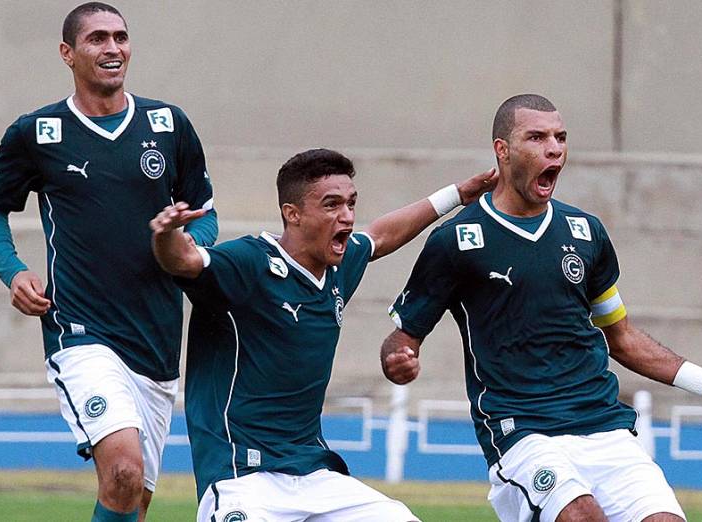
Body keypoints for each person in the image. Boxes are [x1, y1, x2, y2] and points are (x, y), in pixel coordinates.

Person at [379, 94, 702, 522]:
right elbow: (404, 335)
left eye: (560, 137)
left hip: (603, 424)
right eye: (537, 137)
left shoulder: (585, 232)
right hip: (523, 432)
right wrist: (398, 359)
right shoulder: (456, 240)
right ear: (502, 150)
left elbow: (622, 337)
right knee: (581, 516)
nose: (554, 148)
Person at [150, 148, 496, 521]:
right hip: (243, 478)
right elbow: (183, 260)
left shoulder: (338, 268)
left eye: (351, 204)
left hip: (317, 475)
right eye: (332, 205)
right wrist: (166, 235)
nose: (347, 217)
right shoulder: (248, 263)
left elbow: (380, 236)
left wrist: (456, 195)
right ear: (292, 214)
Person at [0, 3, 217, 521]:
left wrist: (188, 251)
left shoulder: (168, 124)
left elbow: (206, 218)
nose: (113, 49)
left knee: (133, 497)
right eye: (97, 39)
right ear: (68, 53)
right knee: (123, 470)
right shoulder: (37, 132)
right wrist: (12, 271)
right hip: (80, 332)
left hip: (156, 339)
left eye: (121, 37)